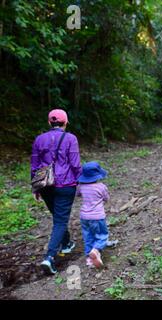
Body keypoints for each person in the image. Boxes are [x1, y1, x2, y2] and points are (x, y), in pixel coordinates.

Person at [31, 109, 82, 275]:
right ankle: (49, 257)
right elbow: (75, 164)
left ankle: (66, 244)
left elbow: (34, 165)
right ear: (65, 122)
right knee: (60, 220)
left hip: (46, 185)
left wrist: (35, 187)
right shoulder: (70, 138)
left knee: (58, 216)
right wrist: (82, 183)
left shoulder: (39, 139)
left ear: (49, 123)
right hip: (66, 185)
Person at [76, 161, 110, 268]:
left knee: (88, 236)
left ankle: (89, 259)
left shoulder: (81, 187)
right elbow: (106, 198)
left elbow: (77, 195)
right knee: (102, 235)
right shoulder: (101, 187)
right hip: (97, 216)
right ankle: (96, 250)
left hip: (84, 217)